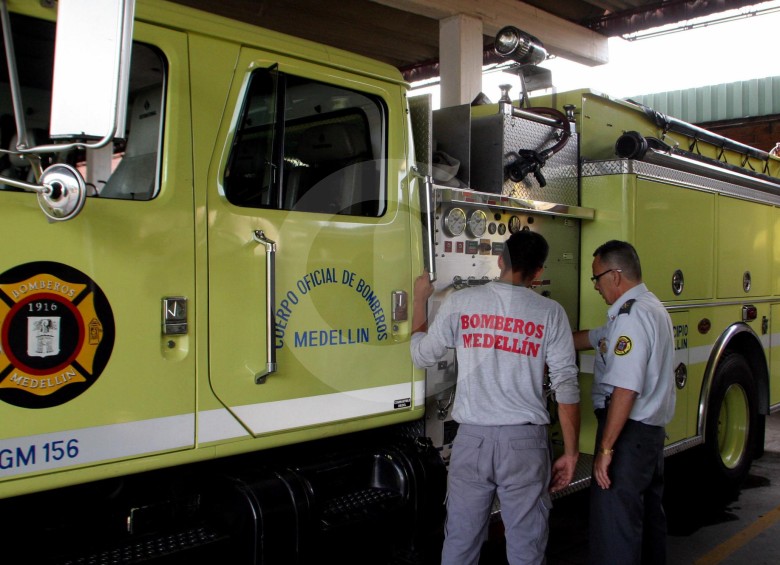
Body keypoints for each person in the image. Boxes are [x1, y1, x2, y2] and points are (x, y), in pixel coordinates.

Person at [411, 230, 580, 565]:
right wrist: (572, 453)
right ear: (538, 273)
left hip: (471, 441)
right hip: (525, 445)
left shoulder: (462, 302)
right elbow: (567, 388)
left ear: (500, 260)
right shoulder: (551, 312)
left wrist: (419, 300)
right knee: (526, 548)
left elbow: (421, 356)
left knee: (460, 542)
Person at [573, 240, 675, 565]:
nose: (596, 287)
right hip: (648, 437)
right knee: (647, 524)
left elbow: (625, 390)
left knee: (616, 530)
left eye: (597, 278)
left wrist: (605, 450)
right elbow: (596, 337)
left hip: (627, 436)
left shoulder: (630, 318)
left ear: (615, 276)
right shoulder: (648, 307)